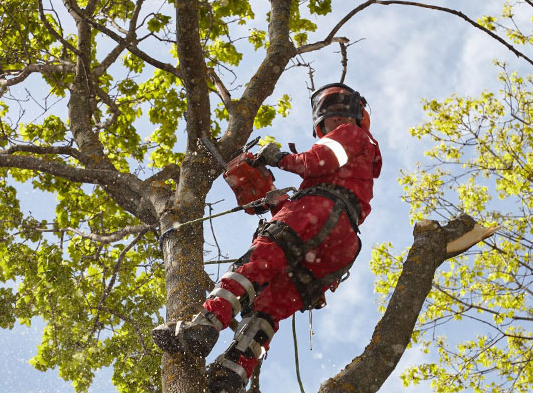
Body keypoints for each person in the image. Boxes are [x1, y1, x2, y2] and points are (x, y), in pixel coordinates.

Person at [152, 82, 382, 393]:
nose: (333, 124)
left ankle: (203, 328)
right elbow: (328, 189)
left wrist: (277, 157)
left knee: (256, 263)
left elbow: (315, 163)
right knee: (267, 305)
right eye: (328, 121)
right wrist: (275, 203)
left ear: (350, 115)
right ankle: (231, 373)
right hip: (338, 245)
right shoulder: (360, 163)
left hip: (319, 212)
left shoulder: (350, 135)